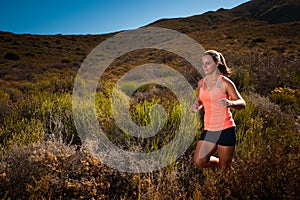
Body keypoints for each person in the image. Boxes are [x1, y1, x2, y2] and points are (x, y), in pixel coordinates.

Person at [190, 50, 246, 171]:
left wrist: (230, 103)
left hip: (226, 128)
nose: (204, 66)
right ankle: (225, 163)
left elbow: (242, 103)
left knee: (225, 170)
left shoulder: (225, 82)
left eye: (208, 63)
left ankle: (227, 166)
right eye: (203, 64)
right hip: (209, 129)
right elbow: (200, 100)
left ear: (217, 63)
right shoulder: (201, 83)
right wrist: (196, 106)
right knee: (199, 161)